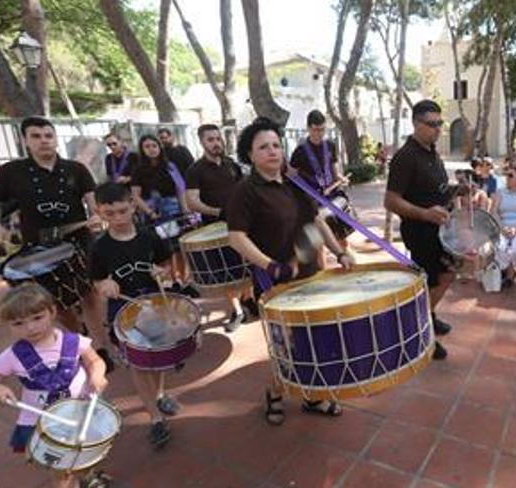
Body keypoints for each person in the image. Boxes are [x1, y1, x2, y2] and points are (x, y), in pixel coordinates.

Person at [226, 117, 355, 425]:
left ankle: (312, 396)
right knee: (286, 347)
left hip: (310, 275)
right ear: (250, 155)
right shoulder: (246, 191)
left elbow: (317, 222)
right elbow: (236, 237)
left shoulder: (295, 183)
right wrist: (269, 265)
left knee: (315, 340)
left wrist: (340, 251)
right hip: (275, 281)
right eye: (263, 147)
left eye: (275, 145)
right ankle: (275, 391)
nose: (273, 151)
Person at [0, 116, 112, 371]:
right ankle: (79, 337)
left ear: (55, 138)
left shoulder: (76, 169)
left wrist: (97, 215)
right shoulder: (12, 172)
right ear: (25, 141)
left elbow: (93, 201)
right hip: (39, 251)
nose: (44, 141)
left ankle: (100, 346)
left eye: (48, 136)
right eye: (36, 136)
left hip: (79, 242)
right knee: (56, 303)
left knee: (89, 294)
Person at [0, 283, 110, 488]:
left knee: (85, 450)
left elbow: (95, 361)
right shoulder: (12, 356)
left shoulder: (75, 341)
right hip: (43, 424)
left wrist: (97, 374)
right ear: (7, 325)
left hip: (81, 412)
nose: (30, 328)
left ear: (52, 312)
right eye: (18, 323)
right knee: (61, 473)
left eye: (37, 318)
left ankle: (87, 473)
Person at [88, 183, 177, 449]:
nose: (117, 218)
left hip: (155, 304)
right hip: (124, 312)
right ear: (100, 213)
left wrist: (162, 273)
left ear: (133, 206)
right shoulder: (99, 247)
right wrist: (105, 285)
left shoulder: (150, 236)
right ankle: (155, 417)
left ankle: (160, 394)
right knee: (139, 363)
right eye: (109, 213)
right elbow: (97, 280)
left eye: (122, 211)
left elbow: (165, 263)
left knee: (159, 358)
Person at [384, 99, 454, 360]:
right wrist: (425, 214)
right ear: (416, 124)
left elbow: (436, 190)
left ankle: (429, 316)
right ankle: (420, 331)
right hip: (420, 233)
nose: (437, 129)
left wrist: (457, 190)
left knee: (444, 276)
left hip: (439, 231)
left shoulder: (432, 152)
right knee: (434, 280)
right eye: (432, 124)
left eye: (440, 124)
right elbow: (390, 201)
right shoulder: (406, 157)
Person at [184, 124, 255, 331]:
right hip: (215, 228)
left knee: (247, 262)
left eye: (218, 139)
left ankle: (249, 299)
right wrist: (218, 212)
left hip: (241, 222)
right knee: (229, 270)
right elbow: (192, 202)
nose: (216, 143)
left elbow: (245, 189)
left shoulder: (231, 164)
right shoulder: (195, 170)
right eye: (210, 140)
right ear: (202, 142)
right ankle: (237, 311)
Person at [129, 134, 194, 295]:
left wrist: (185, 208)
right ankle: (171, 281)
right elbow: (135, 196)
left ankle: (183, 280)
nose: (151, 149)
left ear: (159, 147)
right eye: (147, 146)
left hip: (174, 211)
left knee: (178, 248)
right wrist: (149, 212)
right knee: (164, 250)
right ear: (142, 150)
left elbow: (180, 189)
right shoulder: (138, 170)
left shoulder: (169, 166)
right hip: (155, 215)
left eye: (154, 145)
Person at [289, 110, 352, 267]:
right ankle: (324, 274)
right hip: (313, 201)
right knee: (319, 245)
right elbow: (292, 176)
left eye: (323, 129)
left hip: (332, 197)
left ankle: (348, 268)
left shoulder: (330, 146)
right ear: (309, 129)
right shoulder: (300, 151)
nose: (320, 133)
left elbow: (335, 171)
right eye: (316, 129)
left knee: (342, 241)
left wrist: (341, 179)